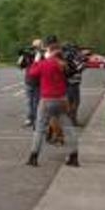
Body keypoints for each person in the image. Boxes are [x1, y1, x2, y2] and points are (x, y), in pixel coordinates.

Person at [27, 38, 80, 167]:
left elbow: (31, 74)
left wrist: (37, 59)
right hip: (61, 99)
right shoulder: (63, 64)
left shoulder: (45, 63)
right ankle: (74, 156)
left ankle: (34, 156)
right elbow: (71, 73)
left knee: (40, 129)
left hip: (46, 99)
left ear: (49, 51)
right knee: (68, 128)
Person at [18, 38, 45, 127]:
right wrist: (23, 56)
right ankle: (30, 118)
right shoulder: (28, 55)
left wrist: (39, 55)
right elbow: (21, 65)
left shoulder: (43, 55)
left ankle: (36, 118)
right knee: (29, 101)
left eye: (38, 46)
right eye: (35, 46)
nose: (35, 48)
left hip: (38, 82)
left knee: (36, 101)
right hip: (29, 81)